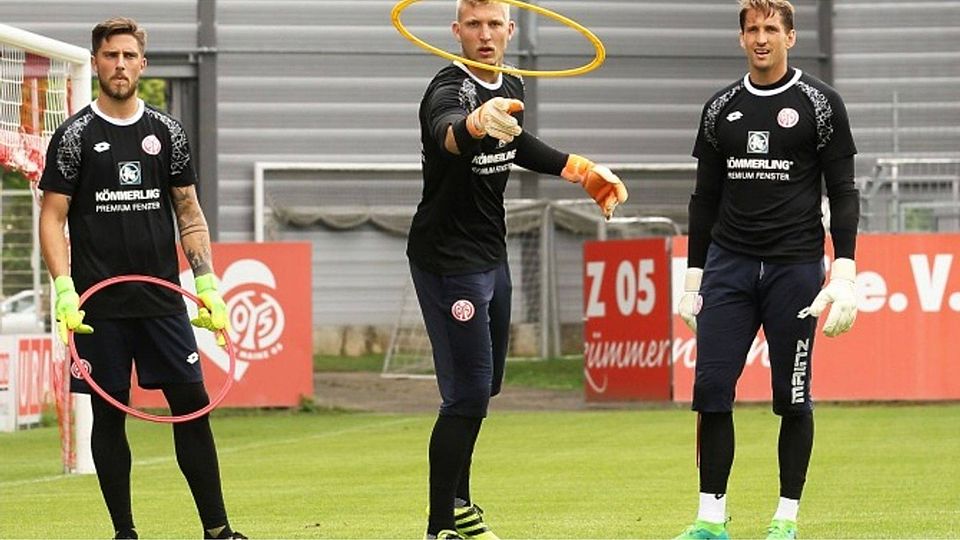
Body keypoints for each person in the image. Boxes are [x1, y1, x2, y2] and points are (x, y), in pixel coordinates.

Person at [407, 1, 628, 538]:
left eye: (493, 25)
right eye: (474, 25)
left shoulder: (512, 84)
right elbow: (447, 131)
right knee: (467, 394)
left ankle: (459, 505)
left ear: (509, 30)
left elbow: (518, 141)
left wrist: (580, 170)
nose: (484, 35)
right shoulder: (450, 87)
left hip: (490, 255)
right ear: (456, 31)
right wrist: (475, 124)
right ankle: (442, 526)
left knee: (485, 390)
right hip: (446, 260)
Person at [38, 17, 245, 540]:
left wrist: (208, 284)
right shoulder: (74, 136)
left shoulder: (166, 131)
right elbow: (52, 216)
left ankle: (218, 531)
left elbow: (189, 212)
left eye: (129, 56)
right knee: (110, 420)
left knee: (193, 410)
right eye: (111, 56)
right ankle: (125, 533)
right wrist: (64, 289)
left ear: (143, 64)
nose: (121, 65)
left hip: (161, 302)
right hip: (98, 309)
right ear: (96, 62)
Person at [675, 1, 860, 539]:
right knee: (711, 390)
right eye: (752, 30)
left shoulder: (820, 104)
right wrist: (692, 281)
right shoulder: (720, 108)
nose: (761, 38)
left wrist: (843, 272)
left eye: (771, 29)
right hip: (728, 269)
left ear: (790, 37)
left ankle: (786, 518)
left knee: (791, 396)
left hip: (795, 270)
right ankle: (711, 521)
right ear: (741, 39)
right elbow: (703, 200)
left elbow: (843, 193)